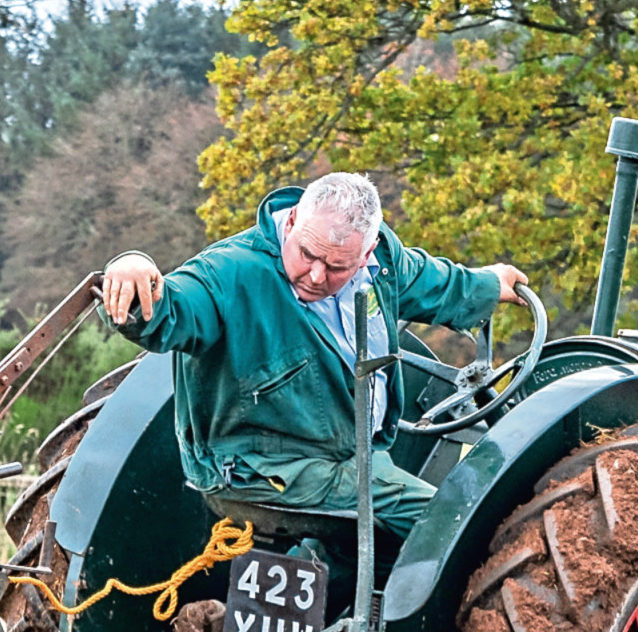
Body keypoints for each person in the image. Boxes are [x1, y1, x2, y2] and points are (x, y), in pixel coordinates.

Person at [101, 172, 529, 539]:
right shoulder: (230, 273)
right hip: (257, 469)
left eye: (338, 266)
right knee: (451, 521)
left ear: (367, 254)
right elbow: (174, 309)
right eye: (307, 254)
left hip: (350, 456)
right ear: (290, 222)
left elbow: (437, 284)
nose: (317, 275)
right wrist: (135, 275)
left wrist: (490, 284)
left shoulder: (382, 263)